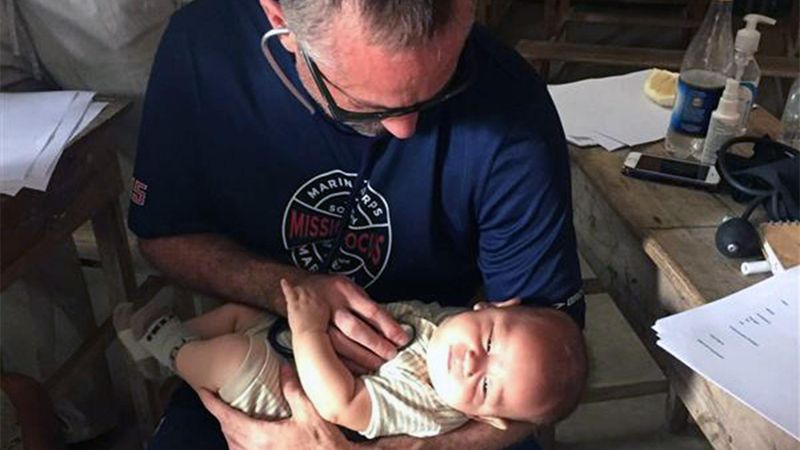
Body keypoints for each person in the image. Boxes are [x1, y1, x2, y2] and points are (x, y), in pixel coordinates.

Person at [129, 0, 586, 448]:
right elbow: (163, 235)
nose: (406, 129)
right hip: (262, 353)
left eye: (438, 88)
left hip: (435, 415)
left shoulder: (512, 108)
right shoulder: (204, 47)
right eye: (364, 105)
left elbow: (540, 382)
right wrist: (286, 291)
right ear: (281, 22)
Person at [114, 281, 587, 439]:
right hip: (298, 346)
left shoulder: (428, 406)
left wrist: (308, 330)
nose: (470, 363)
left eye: (485, 387)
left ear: (486, 418)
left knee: (232, 359)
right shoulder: (446, 323)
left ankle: (168, 347)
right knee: (239, 314)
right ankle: (159, 351)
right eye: (489, 341)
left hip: (289, 393)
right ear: (491, 306)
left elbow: (340, 403)